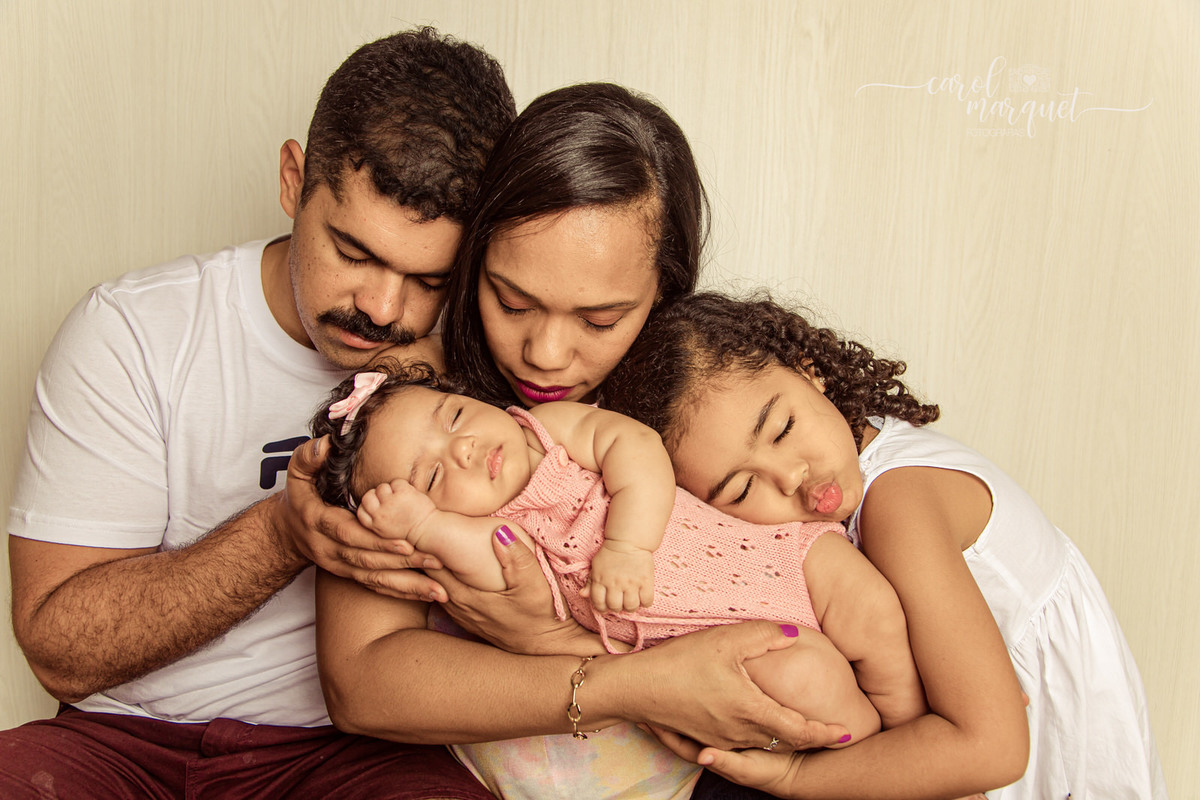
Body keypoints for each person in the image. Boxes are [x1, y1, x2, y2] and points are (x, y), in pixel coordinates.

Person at [3, 28, 518, 799]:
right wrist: (282, 534)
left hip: (349, 755)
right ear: (292, 179)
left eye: (427, 278)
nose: (382, 308)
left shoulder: (482, 357)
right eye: (353, 251)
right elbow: (57, 649)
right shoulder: (134, 330)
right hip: (119, 740)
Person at [313, 84, 852, 800]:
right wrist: (629, 680)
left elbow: (811, 554)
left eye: (599, 319)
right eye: (511, 300)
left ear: (665, 290)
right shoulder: (417, 407)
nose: (544, 353)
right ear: (475, 262)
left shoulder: (693, 402)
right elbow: (365, 687)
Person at [600, 291, 1168, 799]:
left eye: (782, 429)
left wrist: (797, 779)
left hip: (1041, 757)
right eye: (743, 488)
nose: (790, 476)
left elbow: (993, 748)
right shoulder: (840, 485)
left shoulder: (899, 503)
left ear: (808, 371)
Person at [311, 364, 924, 732]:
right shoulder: (490, 533)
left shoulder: (548, 428)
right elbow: (481, 559)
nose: (465, 448)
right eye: (432, 477)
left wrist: (629, 544)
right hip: (713, 645)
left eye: (454, 418)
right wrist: (421, 526)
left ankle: (910, 721)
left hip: (770, 555)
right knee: (806, 685)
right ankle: (875, 749)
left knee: (870, 606)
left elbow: (636, 448)